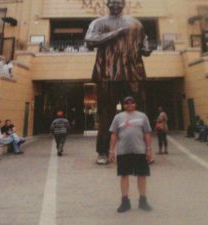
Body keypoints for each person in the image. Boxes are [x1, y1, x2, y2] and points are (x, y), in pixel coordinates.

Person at [85, 0, 152, 165]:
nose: (116, 5)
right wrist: (116, 33)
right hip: (107, 74)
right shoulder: (99, 23)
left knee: (137, 115)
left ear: (123, 4)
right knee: (106, 116)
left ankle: (142, 151)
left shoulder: (135, 23)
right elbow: (90, 41)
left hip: (131, 74)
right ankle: (103, 152)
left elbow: (144, 41)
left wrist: (146, 48)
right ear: (107, 4)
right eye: (113, 2)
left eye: (119, 2)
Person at [109, 96, 153, 213]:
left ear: (135, 104)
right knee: (124, 175)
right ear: (123, 105)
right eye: (126, 103)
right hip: (123, 151)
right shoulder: (118, 117)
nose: (129, 104)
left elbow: (147, 133)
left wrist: (149, 149)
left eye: (131, 102)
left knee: (142, 175)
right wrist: (111, 150)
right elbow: (113, 134)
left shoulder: (142, 116)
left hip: (140, 151)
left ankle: (143, 201)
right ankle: (125, 201)